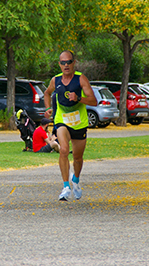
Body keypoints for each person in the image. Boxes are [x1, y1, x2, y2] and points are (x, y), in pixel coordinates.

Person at [44, 50, 97, 201]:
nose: (66, 65)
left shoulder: (81, 79)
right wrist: (48, 109)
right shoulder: (56, 80)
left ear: (74, 63)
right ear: (59, 64)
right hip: (62, 120)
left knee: (78, 158)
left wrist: (79, 98)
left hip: (79, 122)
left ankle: (76, 180)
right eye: (63, 62)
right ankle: (66, 186)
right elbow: (47, 93)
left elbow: (93, 101)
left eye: (69, 62)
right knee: (64, 150)